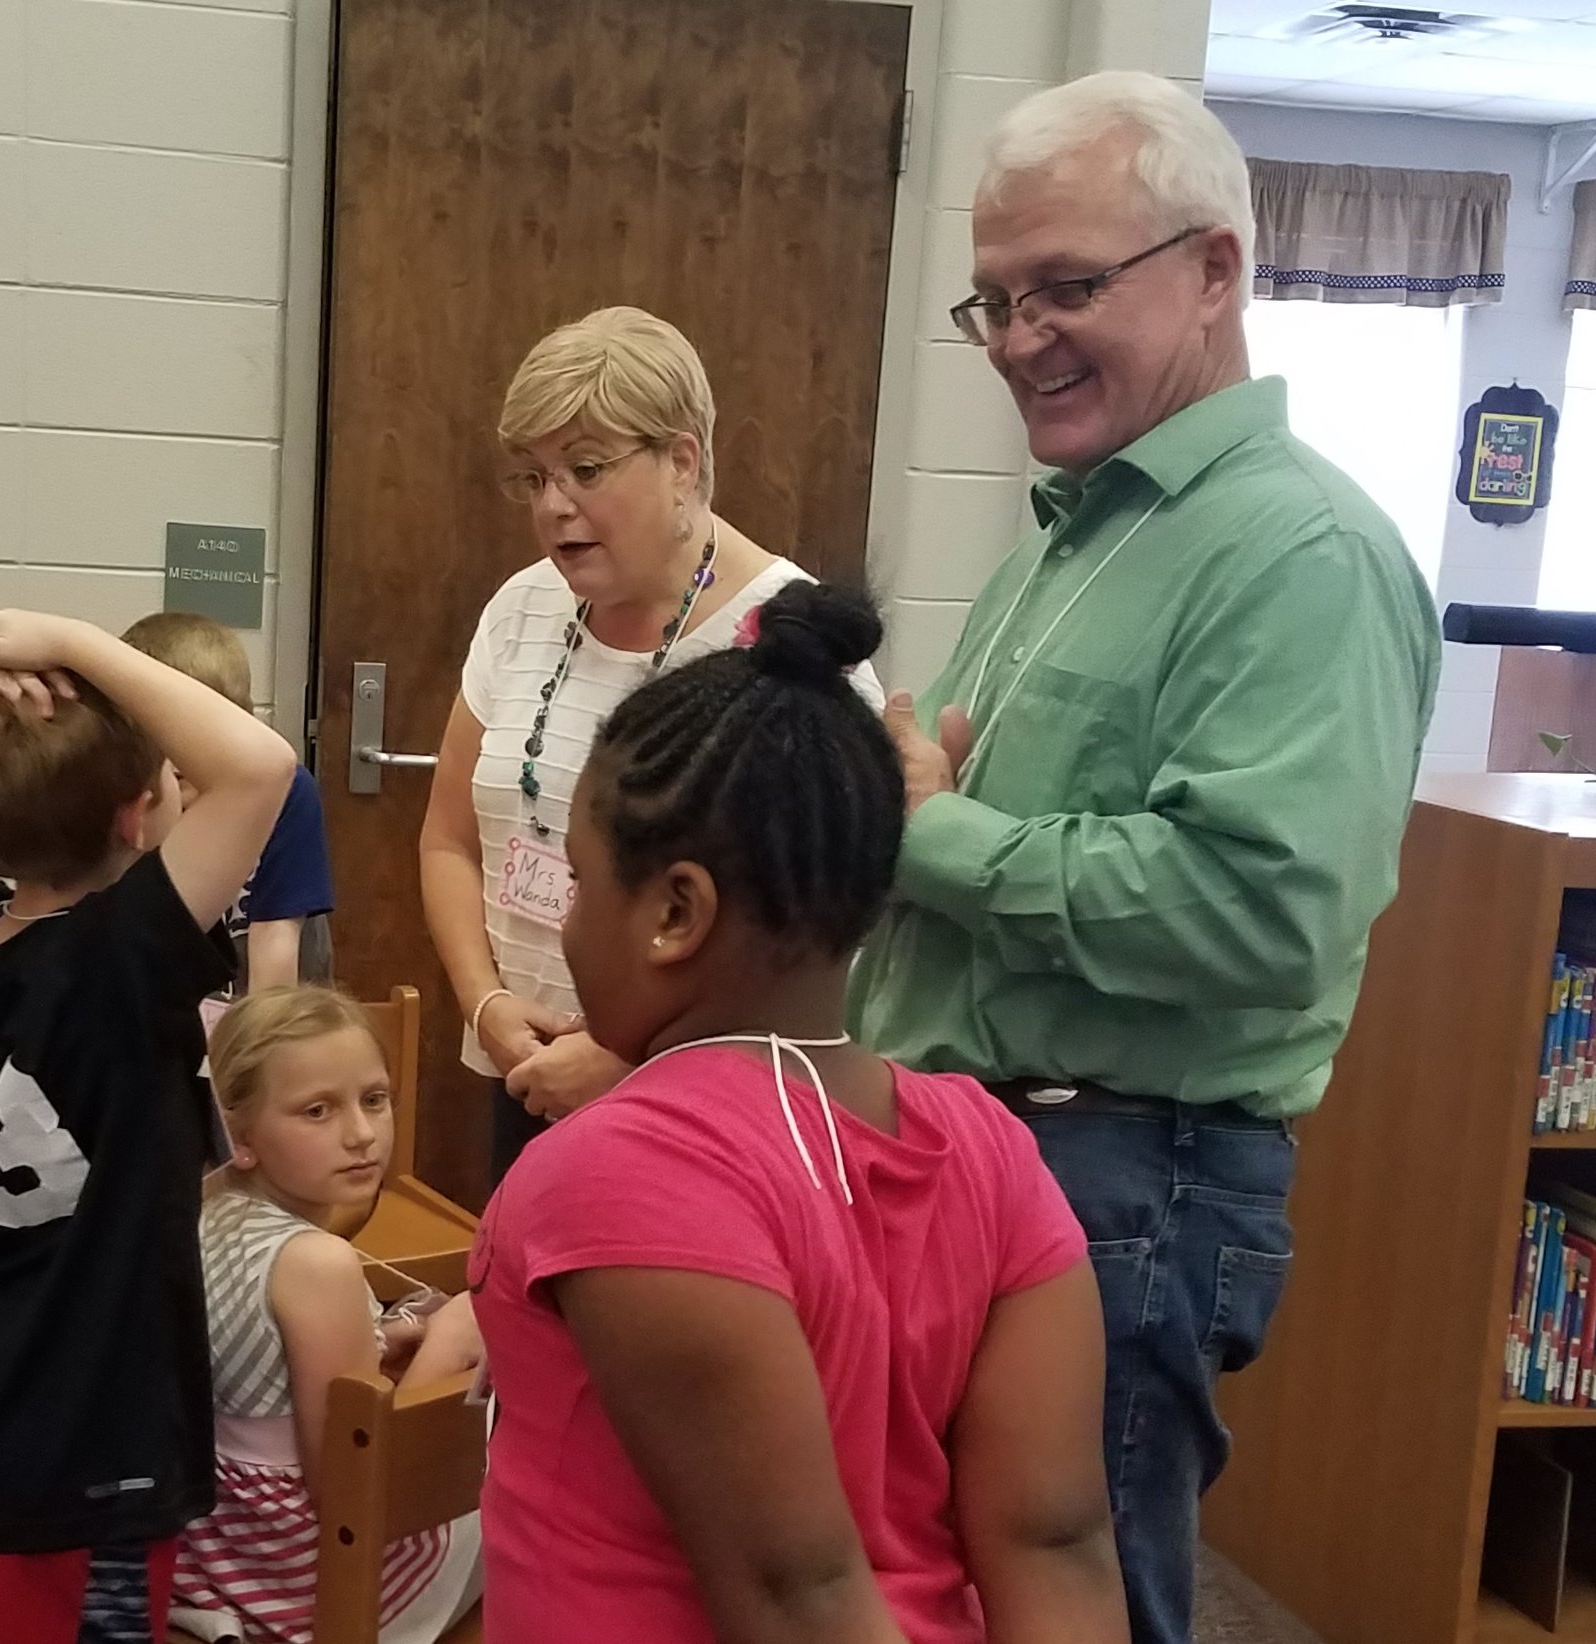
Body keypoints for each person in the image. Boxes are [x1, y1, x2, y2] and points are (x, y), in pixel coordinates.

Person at [846, 72, 1441, 1644]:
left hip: (1123, 1181)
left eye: (1068, 287)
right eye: (994, 302)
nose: (1023, 337)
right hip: (1000, 1155)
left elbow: (1262, 915)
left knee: (1080, 1605)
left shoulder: (1299, 554)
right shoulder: (1073, 533)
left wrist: (936, 835)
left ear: (1218, 271)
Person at [472, 581, 1127, 1644]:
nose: (569, 917)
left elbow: (799, 1599)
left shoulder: (617, 1168)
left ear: (674, 913)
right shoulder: (989, 1148)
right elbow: (1054, 1546)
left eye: (584, 884)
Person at [0, 608, 296, 1644]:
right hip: (90, 1449)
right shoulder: (124, 955)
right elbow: (261, 763)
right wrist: (72, 644)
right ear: (138, 816)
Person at [418, 304, 881, 1186]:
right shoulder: (523, 607)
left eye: (586, 469)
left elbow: (828, 941)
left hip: (697, 1115)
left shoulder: (787, 641)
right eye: (533, 477)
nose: (554, 508)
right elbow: (448, 839)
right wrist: (486, 1007)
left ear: (681, 462)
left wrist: (624, 1058)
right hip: (524, 1075)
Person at [170, 986, 484, 1644]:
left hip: (214, 1561)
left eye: (375, 1099)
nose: (363, 1134)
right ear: (240, 1133)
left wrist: (385, 1337)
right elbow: (357, 1486)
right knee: (520, 1502)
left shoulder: (204, 1212)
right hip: (308, 1582)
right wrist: (450, 1339)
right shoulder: (317, 1264)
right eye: (318, 1111)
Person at [125, 612, 336, 993]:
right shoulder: (132, 792)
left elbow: (276, 955)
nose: (176, 759)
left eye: (195, 734)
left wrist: (255, 1051)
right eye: (159, 735)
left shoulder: (285, 791)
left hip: (270, 1012)